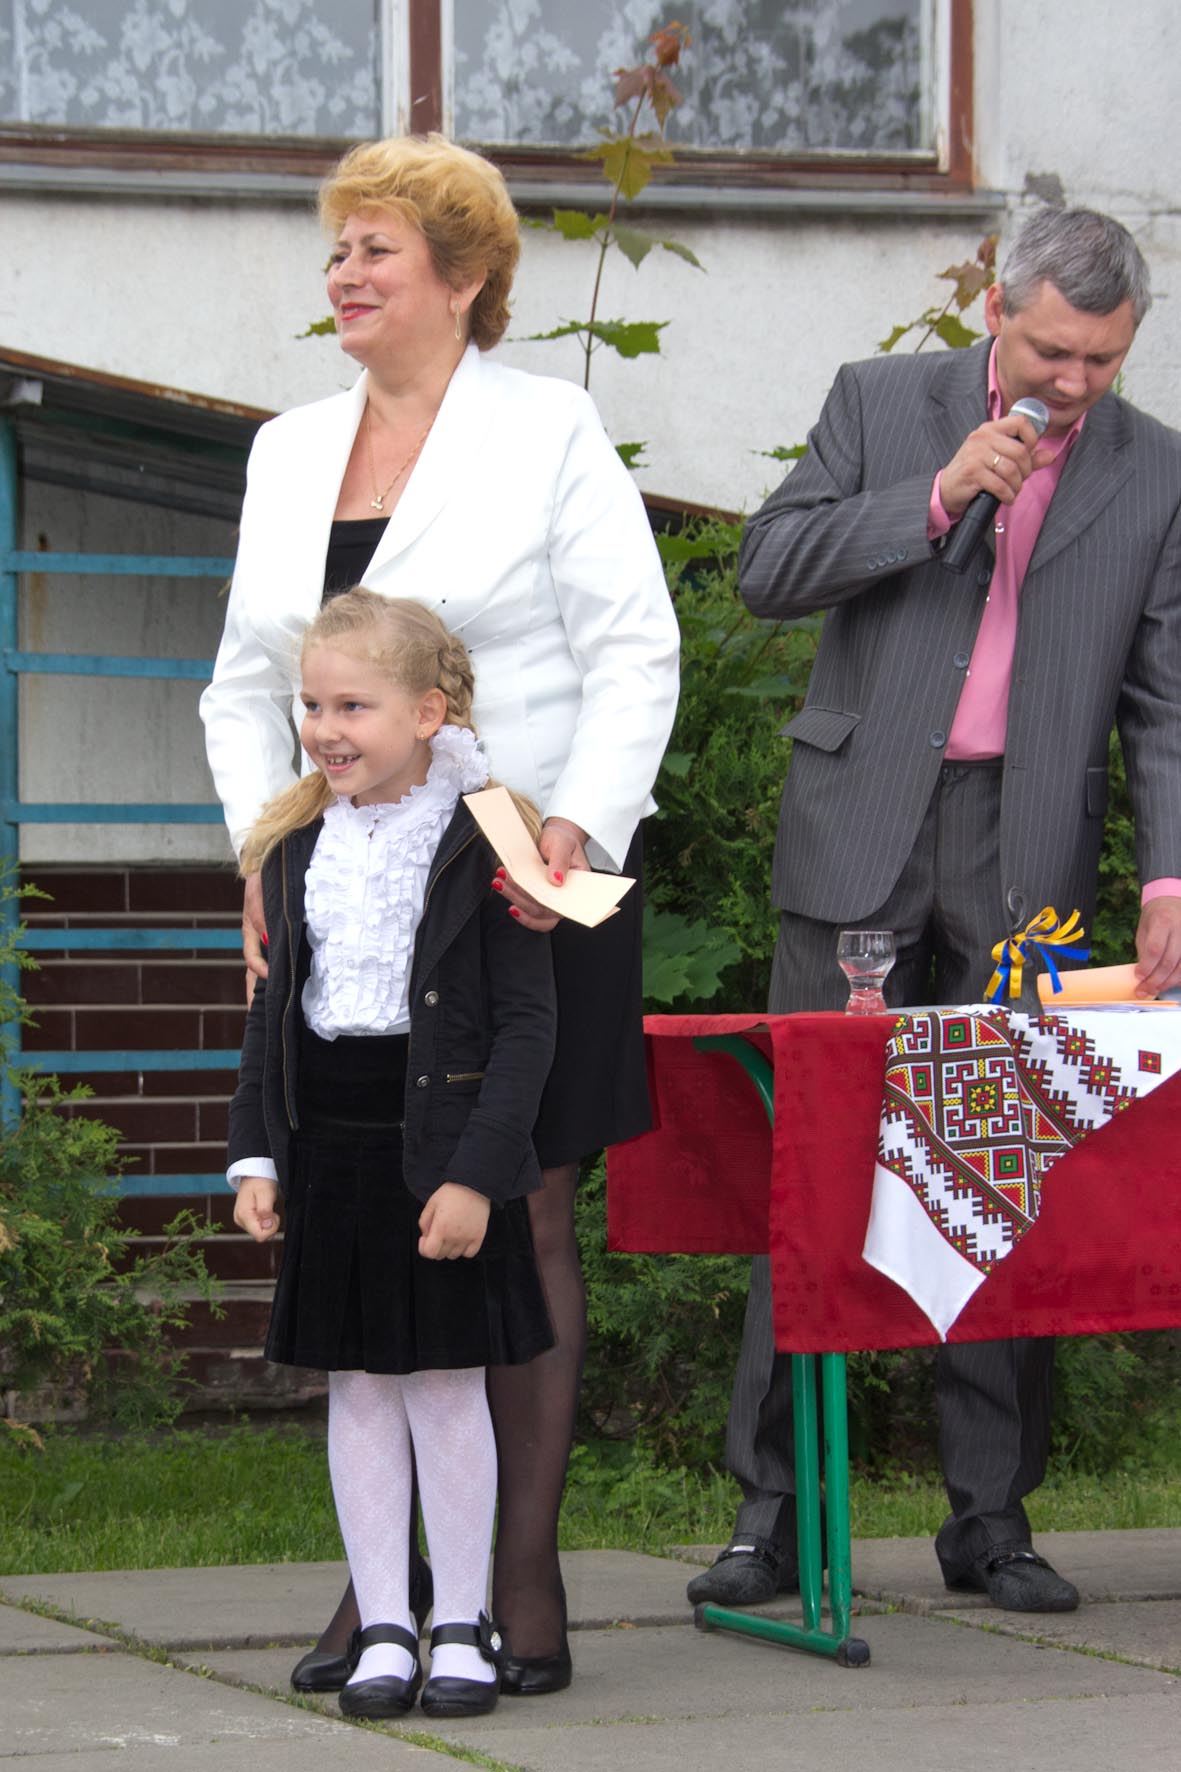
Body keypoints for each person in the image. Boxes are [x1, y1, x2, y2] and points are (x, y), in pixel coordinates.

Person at [200, 133, 680, 1695]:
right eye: (336, 247)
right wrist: (261, 858)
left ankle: (511, 1578)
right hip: (342, 896)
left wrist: (575, 824)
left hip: (519, 884)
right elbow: (238, 687)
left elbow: (634, 650)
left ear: (463, 278)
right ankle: (384, 1591)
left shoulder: (548, 428)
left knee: (518, 1208)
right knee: (361, 1215)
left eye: (375, 248)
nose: (341, 271)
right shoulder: (287, 451)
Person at [689, 207, 1181, 1616]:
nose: (1070, 383)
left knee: (995, 1181)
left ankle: (990, 1516)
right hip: (859, 832)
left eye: (1099, 359)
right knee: (813, 1172)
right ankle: (772, 1514)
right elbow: (767, 570)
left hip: (1025, 855)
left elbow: (1165, 700)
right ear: (995, 311)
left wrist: (1165, 875)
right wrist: (933, 493)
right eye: (1048, 351)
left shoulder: (1155, 471)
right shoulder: (876, 401)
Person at [229, 589, 556, 1721]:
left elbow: (527, 1027)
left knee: (448, 1385)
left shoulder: (488, 840)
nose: (325, 728)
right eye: (312, 704)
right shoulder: (291, 845)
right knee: (360, 1388)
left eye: (351, 706)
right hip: (331, 1146)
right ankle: (382, 1622)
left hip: (441, 1150)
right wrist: (256, 1156)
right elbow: (271, 1016)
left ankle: (460, 1621)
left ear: (427, 712)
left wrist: (476, 1174)